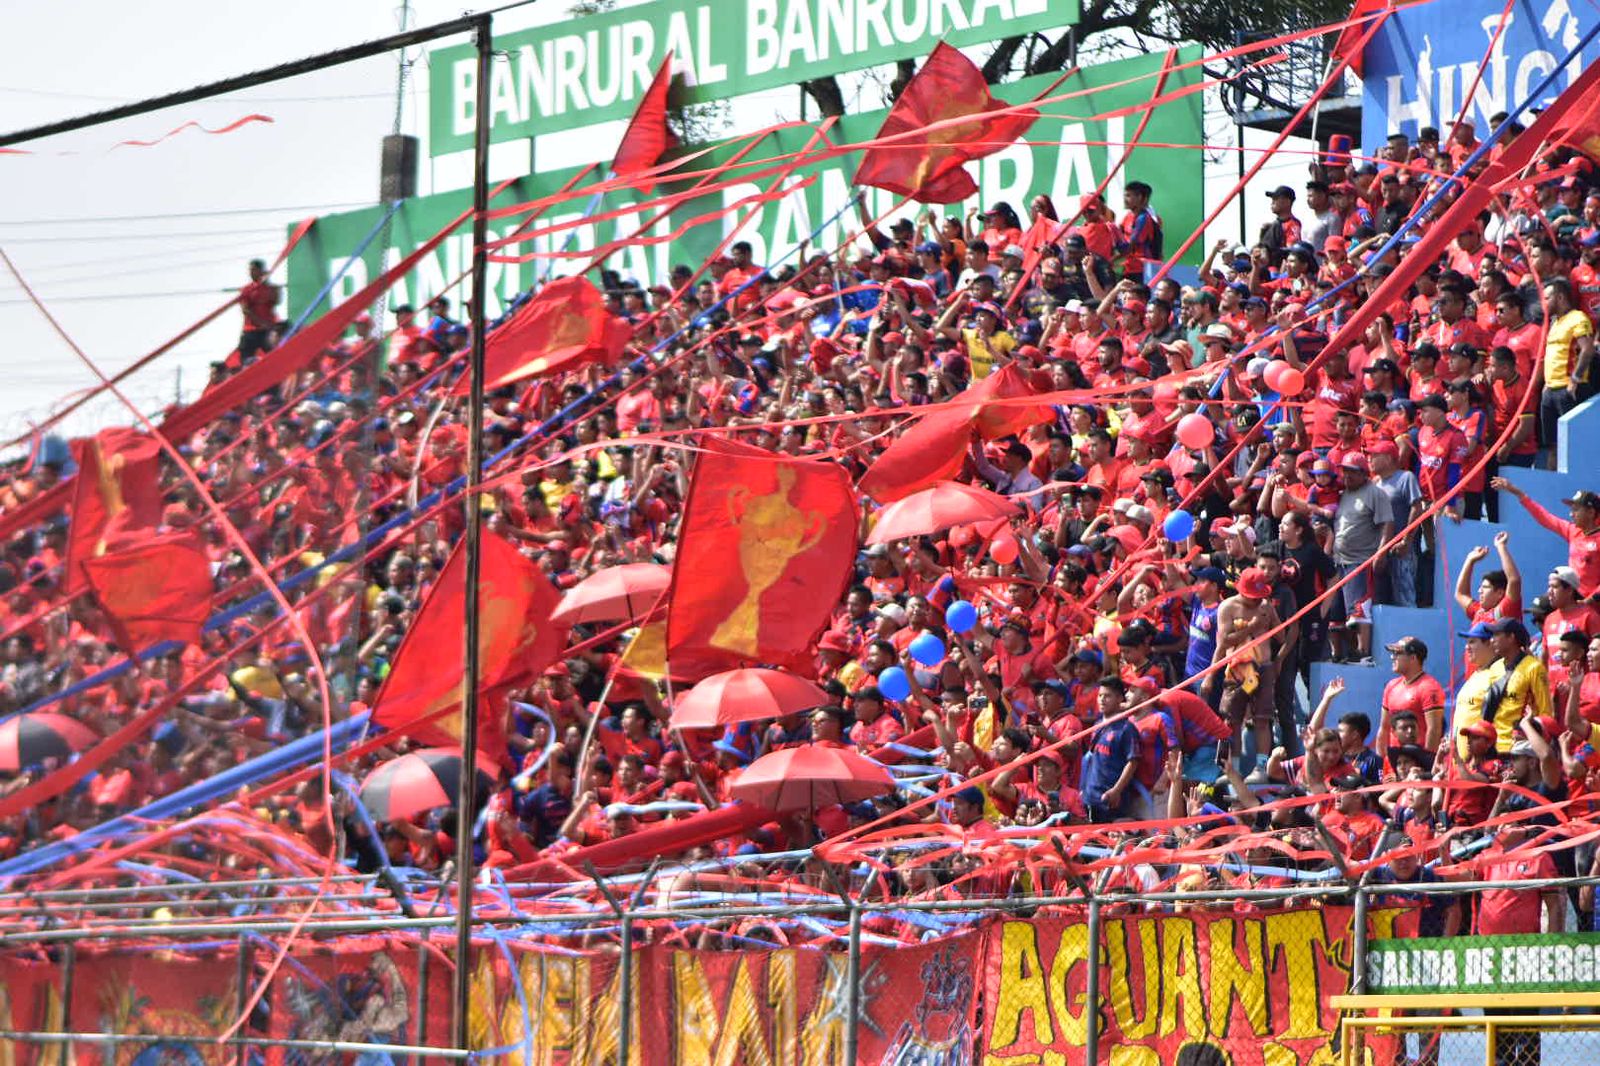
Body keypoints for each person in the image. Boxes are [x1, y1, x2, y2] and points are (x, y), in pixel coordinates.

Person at [1492, 479, 1600, 598]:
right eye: (1571, 510)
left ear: (1590, 512)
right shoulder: (1572, 531)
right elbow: (1545, 517)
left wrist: (1590, 600)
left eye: (1576, 510)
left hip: (1592, 604)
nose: (1571, 514)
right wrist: (1517, 492)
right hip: (1570, 598)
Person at [238, 258, 280, 362]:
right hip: (251, 330)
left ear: (261, 271)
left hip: (267, 329)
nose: (251, 273)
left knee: (274, 356)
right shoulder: (246, 289)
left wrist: (266, 281)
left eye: (254, 270)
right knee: (245, 359)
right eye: (250, 270)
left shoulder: (271, 288)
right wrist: (261, 323)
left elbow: (276, 300)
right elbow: (246, 310)